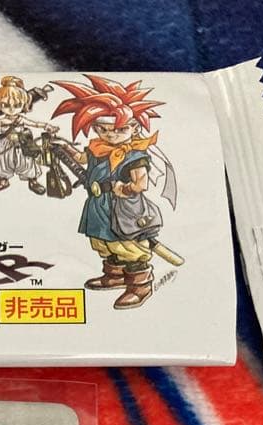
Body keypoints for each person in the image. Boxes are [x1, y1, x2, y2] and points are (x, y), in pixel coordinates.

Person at [52, 74, 173, 309]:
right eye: (103, 129)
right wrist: (64, 147)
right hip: (98, 204)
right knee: (102, 242)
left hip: (124, 207)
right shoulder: (98, 147)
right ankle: (114, 276)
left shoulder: (134, 155)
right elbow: (82, 158)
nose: (111, 134)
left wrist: (124, 188)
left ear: (134, 127)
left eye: (119, 129)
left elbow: (141, 184)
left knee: (129, 246)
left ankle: (140, 286)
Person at [0, 76, 58, 195]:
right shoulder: (2, 121)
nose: (11, 109)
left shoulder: (20, 119)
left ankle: (33, 181)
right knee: (2, 162)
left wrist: (47, 126)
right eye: (5, 105)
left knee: (27, 162)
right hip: (5, 145)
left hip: (22, 144)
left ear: (24, 105)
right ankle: (2, 180)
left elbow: (35, 124)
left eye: (17, 105)